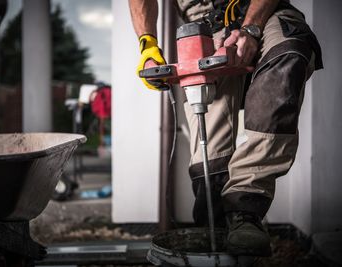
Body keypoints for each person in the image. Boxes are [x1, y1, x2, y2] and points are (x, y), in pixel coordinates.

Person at [128, 0, 322, 256]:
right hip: (206, 25)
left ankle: (244, 207)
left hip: (264, 12)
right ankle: (213, 221)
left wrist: (251, 28)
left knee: (287, 52)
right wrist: (147, 43)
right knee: (208, 127)